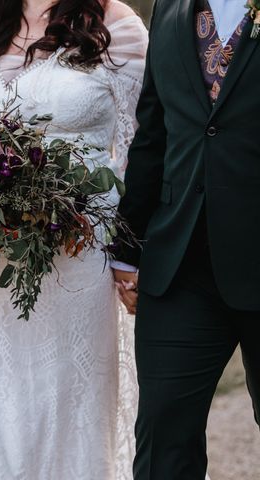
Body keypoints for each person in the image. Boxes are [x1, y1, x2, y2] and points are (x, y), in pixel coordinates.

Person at [0, 1, 148, 478]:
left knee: (60, 416)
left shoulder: (115, 26)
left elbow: (145, 149)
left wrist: (132, 251)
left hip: (74, 259)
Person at [113, 0, 260, 478]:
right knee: (162, 443)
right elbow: (153, 134)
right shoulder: (170, 8)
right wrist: (128, 248)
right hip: (180, 267)